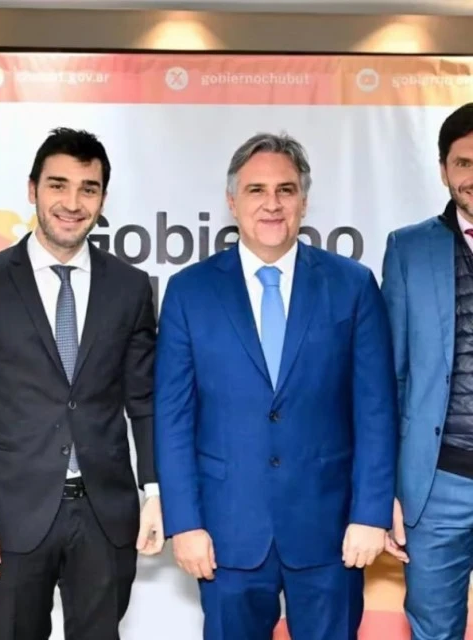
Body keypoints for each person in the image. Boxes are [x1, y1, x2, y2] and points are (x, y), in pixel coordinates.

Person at [154, 132, 398, 640]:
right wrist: (185, 523)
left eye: (285, 190)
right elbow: (173, 418)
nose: (272, 204)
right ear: (232, 201)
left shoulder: (352, 285)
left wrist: (371, 514)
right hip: (225, 534)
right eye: (256, 190)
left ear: (303, 201)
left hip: (332, 534)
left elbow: (376, 410)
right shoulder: (189, 291)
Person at [0, 127, 164, 640]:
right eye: (58, 185)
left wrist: (155, 491)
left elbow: (144, 399)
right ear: (32, 190)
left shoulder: (130, 287)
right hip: (11, 516)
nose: (72, 203)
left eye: (88, 189)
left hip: (105, 515)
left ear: (103, 199)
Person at [382, 102, 473, 640]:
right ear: (443, 170)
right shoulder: (408, 249)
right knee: (434, 632)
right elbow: (389, 379)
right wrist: (388, 487)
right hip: (436, 486)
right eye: (464, 163)